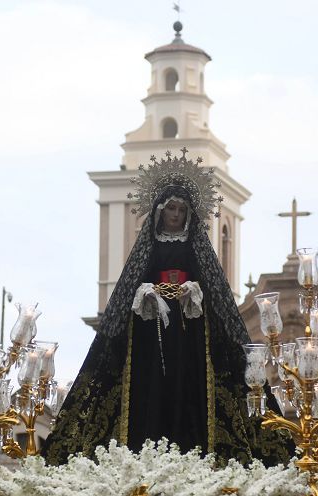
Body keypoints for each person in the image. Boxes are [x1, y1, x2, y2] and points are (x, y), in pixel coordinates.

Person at [43, 150, 292, 465]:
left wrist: (194, 292)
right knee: (148, 389)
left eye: (181, 209)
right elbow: (128, 290)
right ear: (159, 211)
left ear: (189, 214)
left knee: (191, 388)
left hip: (191, 337)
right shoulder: (148, 249)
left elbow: (215, 295)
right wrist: (146, 293)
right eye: (170, 208)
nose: (175, 214)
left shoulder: (196, 251)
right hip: (150, 335)